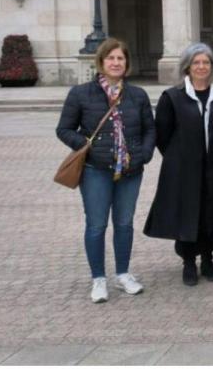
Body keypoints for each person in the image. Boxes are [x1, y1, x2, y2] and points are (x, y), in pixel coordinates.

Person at [56, 38, 156, 304]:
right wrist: (86, 146)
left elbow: (150, 129)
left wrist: (144, 154)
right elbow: (64, 129)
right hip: (95, 170)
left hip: (130, 170)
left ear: (126, 63)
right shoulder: (80, 94)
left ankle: (123, 274)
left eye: (120, 58)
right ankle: (98, 278)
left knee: (124, 223)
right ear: (100, 62)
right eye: (110, 58)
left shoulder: (137, 95)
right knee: (96, 224)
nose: (115, 63)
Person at [144, 43, 213, 287]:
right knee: (187, 213)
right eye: (196, 63)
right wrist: (180, 157)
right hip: (183, 169)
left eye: (206, 62)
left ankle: (207, 258)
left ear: (212, 66)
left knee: (209, 213)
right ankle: (188, 262)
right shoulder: (172, 97)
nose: (201, 67)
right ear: (188, 67)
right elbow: (163, 134)